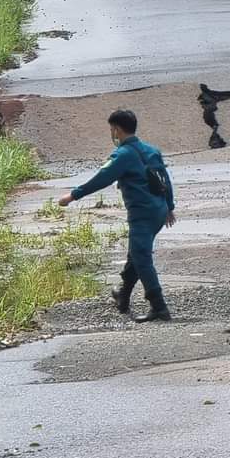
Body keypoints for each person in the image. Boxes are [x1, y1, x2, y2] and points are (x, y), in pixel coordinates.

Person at [58, 109, 176, 322]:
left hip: (142, 213)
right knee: (136, 254)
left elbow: (102, 178)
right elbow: (165, 179)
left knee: (142, 257)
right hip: (158, 210)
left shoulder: (122, 155)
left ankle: (159, 306)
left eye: (112, 129)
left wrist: (72, 196)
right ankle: (123, 294)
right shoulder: (151, 150)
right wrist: (169, 206)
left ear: (116, 129)